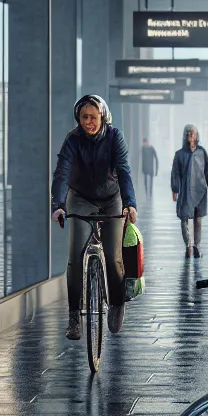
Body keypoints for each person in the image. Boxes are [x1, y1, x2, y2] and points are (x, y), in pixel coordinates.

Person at [51, 94, 136, 339]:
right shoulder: (73, 140)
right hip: (80, 199)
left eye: (93, 117)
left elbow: (123, 170)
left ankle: (117, 304)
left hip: (112, 200)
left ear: (103, 118)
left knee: (113, 258)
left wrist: (130, 204)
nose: (89, 121)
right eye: (84, 117)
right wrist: (58, 205)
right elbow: (62, 174)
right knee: (75, 257)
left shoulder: (114, 137)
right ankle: (74, 317)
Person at [170, 124, 208, 257]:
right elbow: (175, 173)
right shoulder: (179, 154)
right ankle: (188, 245)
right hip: (185, 191)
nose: (191, 136)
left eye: (193, 134)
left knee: (198, 220)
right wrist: (175, 190)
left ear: (197, 136)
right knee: (184, 218)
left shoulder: (202, 152)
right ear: (185, 136)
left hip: (200, 191)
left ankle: (196, 245)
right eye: (188, 134)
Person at [140, 138, 159, 202]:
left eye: (145, 142)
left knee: (150, 183)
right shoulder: (143, 149)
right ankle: (146, 194)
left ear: (147, 142)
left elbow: (156, 159)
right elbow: (139, 158)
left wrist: (156, 170)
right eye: (143, 143)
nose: (144, 144)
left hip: (150, 169)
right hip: (145, 168)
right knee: (145, 182)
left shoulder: (151, 149)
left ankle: (150, 195)